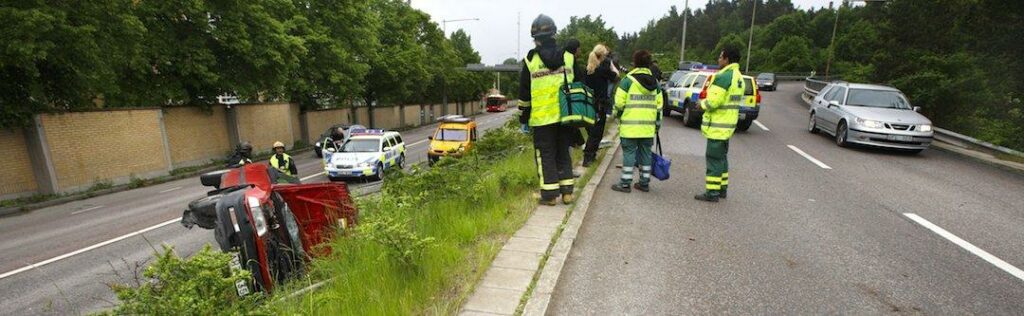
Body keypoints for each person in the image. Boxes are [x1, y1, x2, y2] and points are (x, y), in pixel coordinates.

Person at [518, 14, 584, 206]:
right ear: (554, 33)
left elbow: (524, 95)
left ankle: (549, 196)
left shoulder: (530, 60)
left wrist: (523, 118)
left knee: (545, 154)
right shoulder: (569, 57)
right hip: (566, 116)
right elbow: (580, 84)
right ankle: (567, 193)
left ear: (535, 38)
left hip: (542, 118)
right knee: (563, 151)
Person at [694, 47, 744, 202]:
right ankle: (722, 189)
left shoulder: (723, 77)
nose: (718, 59)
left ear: (727, 59)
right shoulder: (738, 77)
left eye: (720, 57)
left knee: (714, 158)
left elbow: (714, 101)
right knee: (721, 158)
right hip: (727, 124)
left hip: (718, 124)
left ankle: (712, 193)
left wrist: (701, 104)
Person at [610, 50, 663, 193]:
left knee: (629, 153)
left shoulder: (627, 81)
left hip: (630, 126)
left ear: (635, 63)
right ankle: (644, 183)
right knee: (645, 154)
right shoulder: (655, 83)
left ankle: (625, 183)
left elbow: (619, 103)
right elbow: (659, 107)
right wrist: (657, 125)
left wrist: (617, 115)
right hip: (648, 128)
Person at [582, 44, 619, 167]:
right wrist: (612, 65)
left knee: (592, 131)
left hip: (589, 104)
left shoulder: (588, 70)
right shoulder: (602, 70)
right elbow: (616, 76)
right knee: (597, 132)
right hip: (600, 105)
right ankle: (588, 157)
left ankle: (590, 155)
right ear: (602, 56)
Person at [564, 39, 586, 149]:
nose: (580, 51)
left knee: (569, 120)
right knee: (572, 120)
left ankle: (578, 143)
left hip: (562, 92)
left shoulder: (561, 55)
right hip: (570, 92)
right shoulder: (571, 58)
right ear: (576, 48)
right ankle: (579, 144)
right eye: (579, 48)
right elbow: (577, 77)